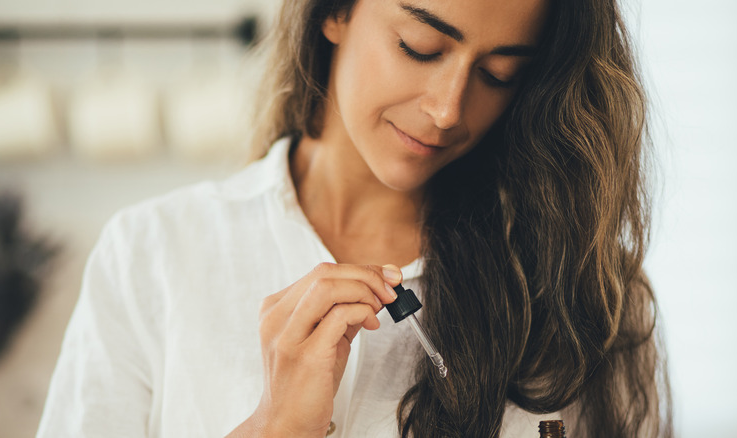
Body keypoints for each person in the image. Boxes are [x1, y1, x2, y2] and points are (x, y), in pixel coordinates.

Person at [37, 0, 672, 437]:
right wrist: (275, 428)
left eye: (497, 74)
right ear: (336, 11)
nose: (449, 109)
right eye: (419, 47)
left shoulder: (584, 293)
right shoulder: (153, 253)